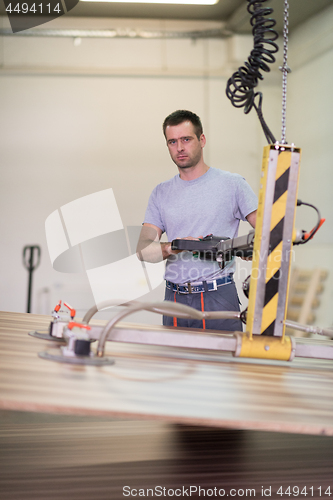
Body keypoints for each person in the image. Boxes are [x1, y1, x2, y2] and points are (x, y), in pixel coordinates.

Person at [137, 110, 257, 331]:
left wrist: (245, 248)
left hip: (218, 296)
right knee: (174, 364)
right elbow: (144, 250)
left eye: (186, 139)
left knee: (222, 364)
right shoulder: (161, 193)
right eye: (172, 142)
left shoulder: (233, 185)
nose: (180, 148)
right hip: (174, 299)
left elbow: (270, 231)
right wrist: (174, 247)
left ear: (202, 140)